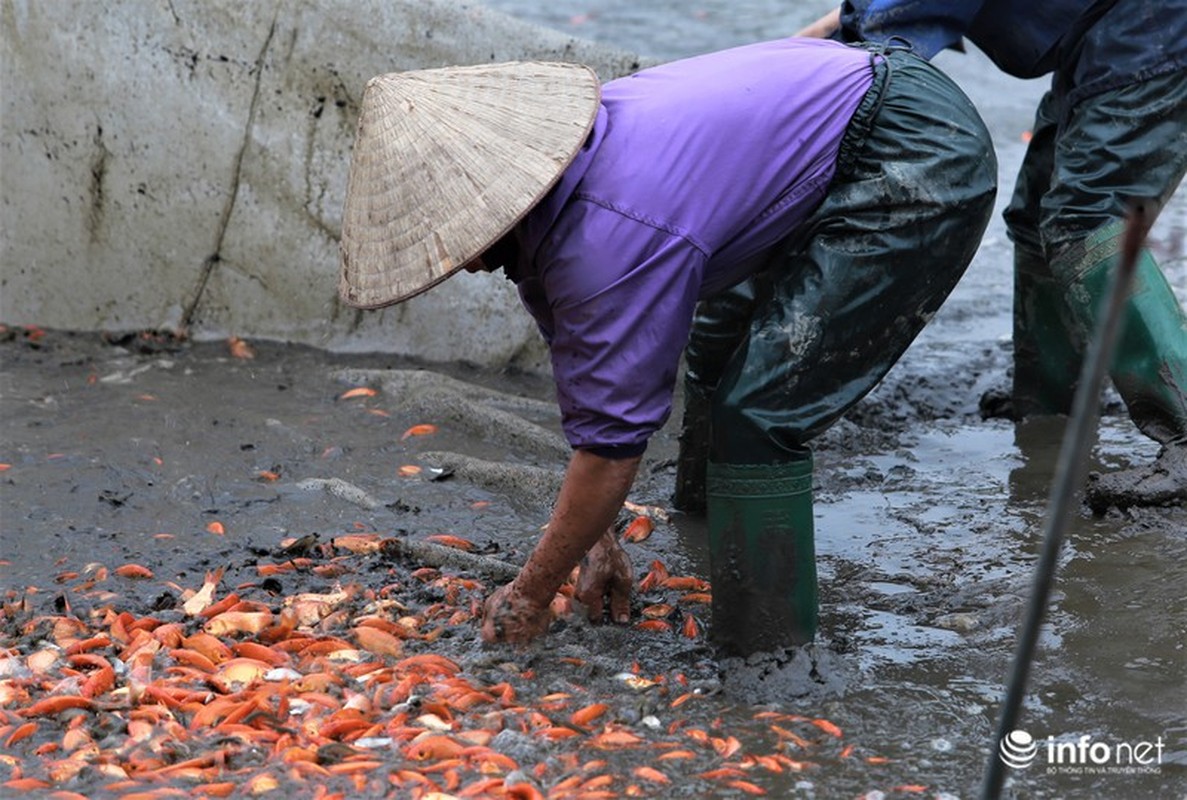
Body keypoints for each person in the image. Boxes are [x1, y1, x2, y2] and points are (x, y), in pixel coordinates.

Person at [338, 38, 996, 653]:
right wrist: (598, 545)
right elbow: (589, 383)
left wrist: (529, 594)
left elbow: (609, 446)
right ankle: (712, 548)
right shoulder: (560, 194)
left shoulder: (606, 237)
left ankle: (768, 652)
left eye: (463, 242)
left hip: (910, 149)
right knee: (714, 358)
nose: (466, 263)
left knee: (759, 413)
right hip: (833, 119)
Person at [790, 1, 1187, 513]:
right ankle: (1050, 402)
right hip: (1106, 38)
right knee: (1038, 216)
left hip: (1154, 28)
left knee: (1084, 216)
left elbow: (872, 57)